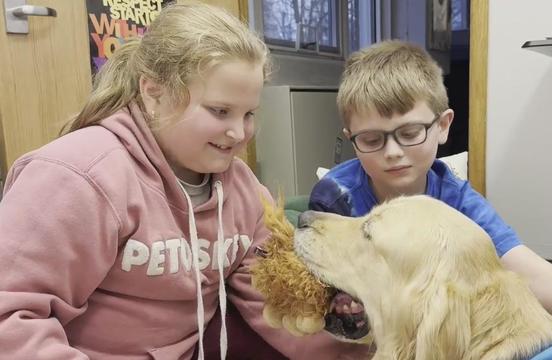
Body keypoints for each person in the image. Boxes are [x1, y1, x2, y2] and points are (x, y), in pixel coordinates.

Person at [0, 4, 370, 360]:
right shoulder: (77, 177)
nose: (239, 133)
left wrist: (369, 351)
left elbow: (277, 299)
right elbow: (11, 317)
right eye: (219, 111)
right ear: (153, 93)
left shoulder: (240, 187)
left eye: (249, 114)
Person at [309, 40, 552, 359]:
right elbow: (314, 293)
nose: (393, 153)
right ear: (352, 141)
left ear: (442, 126)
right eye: (371, 139)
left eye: (410, 134)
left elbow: (533, 272)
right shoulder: (335, 197)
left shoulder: (457, 202)